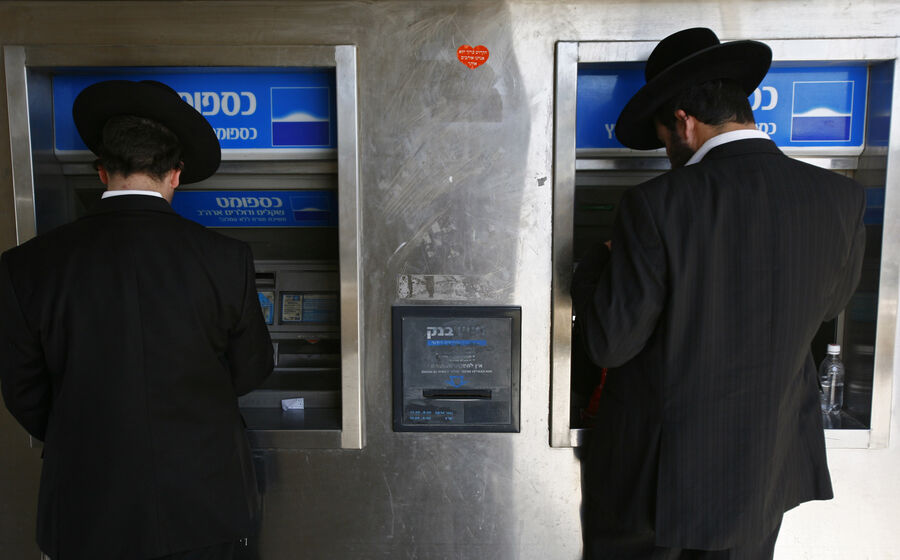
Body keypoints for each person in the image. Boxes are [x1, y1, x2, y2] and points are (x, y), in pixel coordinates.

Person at [571, 28, 865, 559]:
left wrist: (599, 262)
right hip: (764, 474)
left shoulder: (656, 205)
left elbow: (610, 343)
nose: (667, 153)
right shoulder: (839, 199)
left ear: (683, 122)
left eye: (662, 138)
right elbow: (828, 307)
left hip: (657, 486)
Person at [0, 80, 274, 559]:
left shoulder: (27, 265)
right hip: (203, 507)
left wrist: (91, 428)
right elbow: (252, 368)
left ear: (102, 171)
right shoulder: (226, 258)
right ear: (175, 174)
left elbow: (23, 390)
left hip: (85, 508)